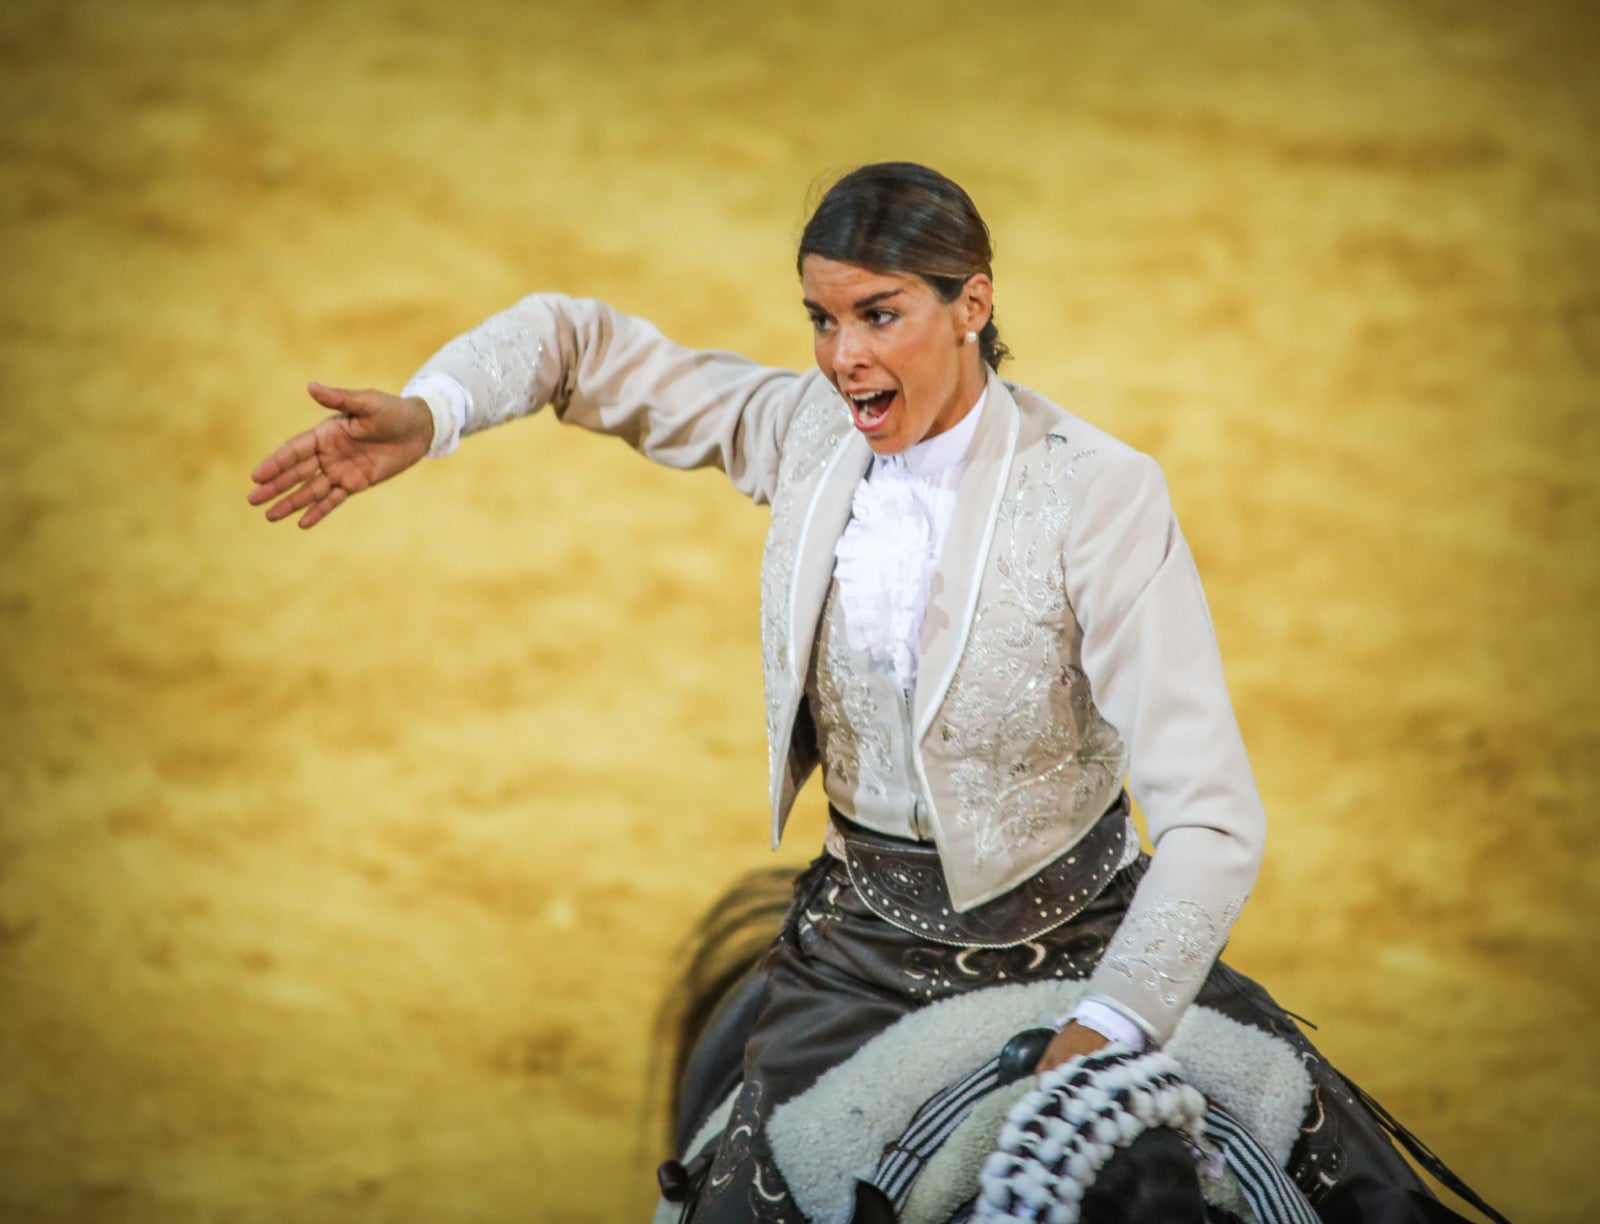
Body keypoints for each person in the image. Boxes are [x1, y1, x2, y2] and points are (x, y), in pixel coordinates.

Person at [250, 163, 1484, 1223]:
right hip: (865, 955)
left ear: (973, 305)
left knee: (1366, 1195)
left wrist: (1108, 1027)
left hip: (1091, 934)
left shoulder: (1098, 494)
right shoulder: (805, 431)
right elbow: (581, 345)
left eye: (879, 315)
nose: (843, 357)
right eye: (822, 319)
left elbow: (1211, 824)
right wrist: (436, 409)